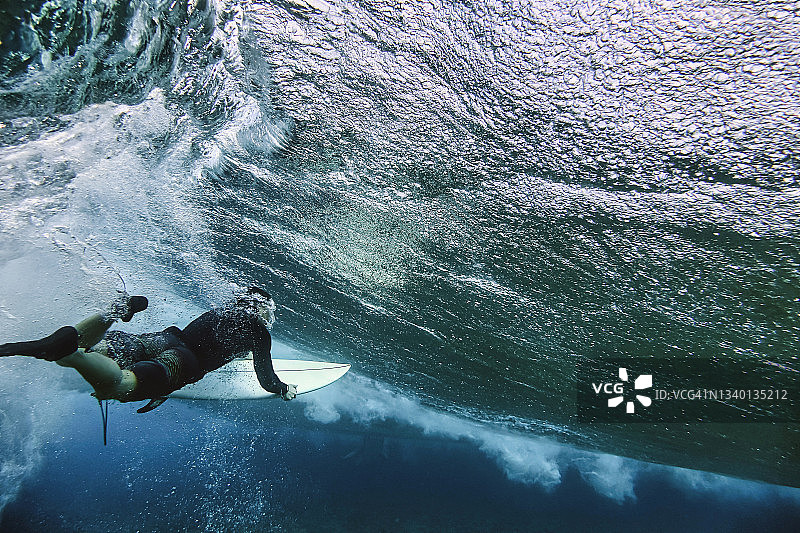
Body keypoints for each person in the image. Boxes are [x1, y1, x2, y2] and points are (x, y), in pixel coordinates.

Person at [0, 287, 297, 412]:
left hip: (166, 338)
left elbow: (216, 340)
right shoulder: (258, 333)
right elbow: (266, 380)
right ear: (263, 311)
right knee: (119, 385)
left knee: (101, 348)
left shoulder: (221, 312)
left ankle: (110, 314)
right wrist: (283, 388)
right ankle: (72, 354)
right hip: (183, 362)